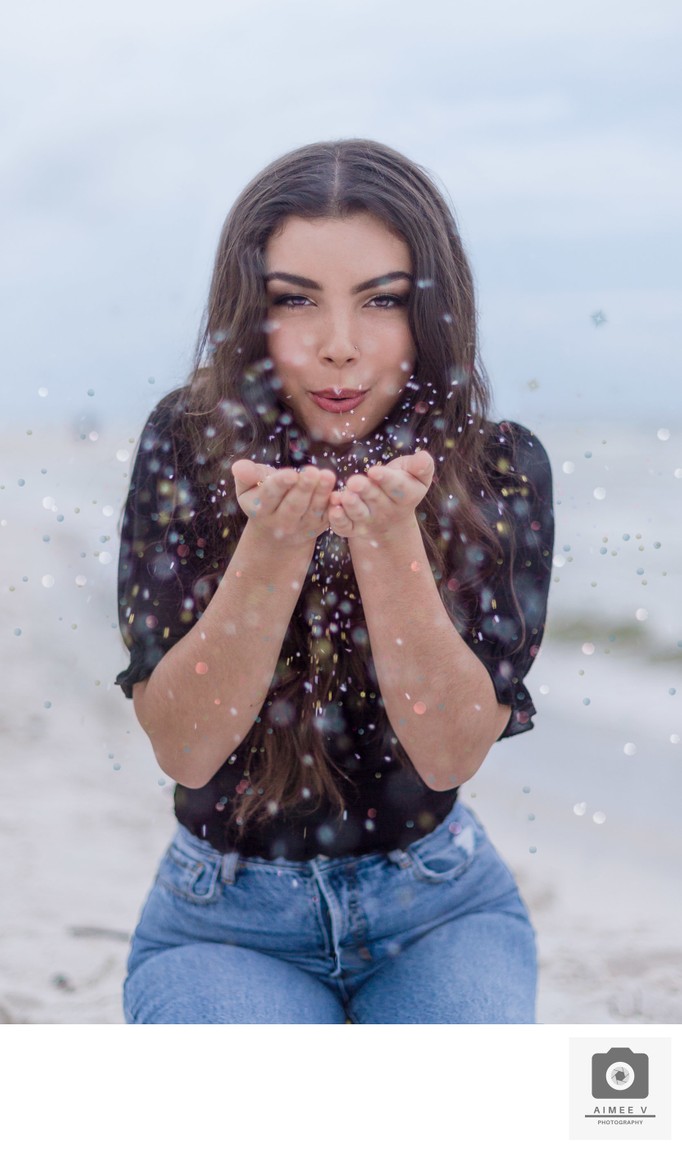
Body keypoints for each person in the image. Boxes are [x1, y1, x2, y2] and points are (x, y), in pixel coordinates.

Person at [115, 138, 554, 1025]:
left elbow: (451, 752)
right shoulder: (189, 444)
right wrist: (273, 546)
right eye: (295, 301)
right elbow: (185, 746)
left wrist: (388, 540)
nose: (341, 348)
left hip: (439, 905)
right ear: (252, 313)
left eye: (382, 301)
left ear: (432, 311)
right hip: (223, 919)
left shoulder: (496, 468)